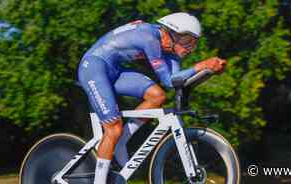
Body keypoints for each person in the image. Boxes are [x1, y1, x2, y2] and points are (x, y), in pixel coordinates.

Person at [77, 12, 226, 183]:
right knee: (113, 128)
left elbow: (176, 81)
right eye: (187, 41)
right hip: (93, 67)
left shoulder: (169, 48)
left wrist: (208, 72)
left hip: (112, 71)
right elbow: (169, 79)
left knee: (157, 96)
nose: (189, 48)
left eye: (193, 43)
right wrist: (202, 65)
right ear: (170, 33)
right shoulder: (150, 39)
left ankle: (121, 141)